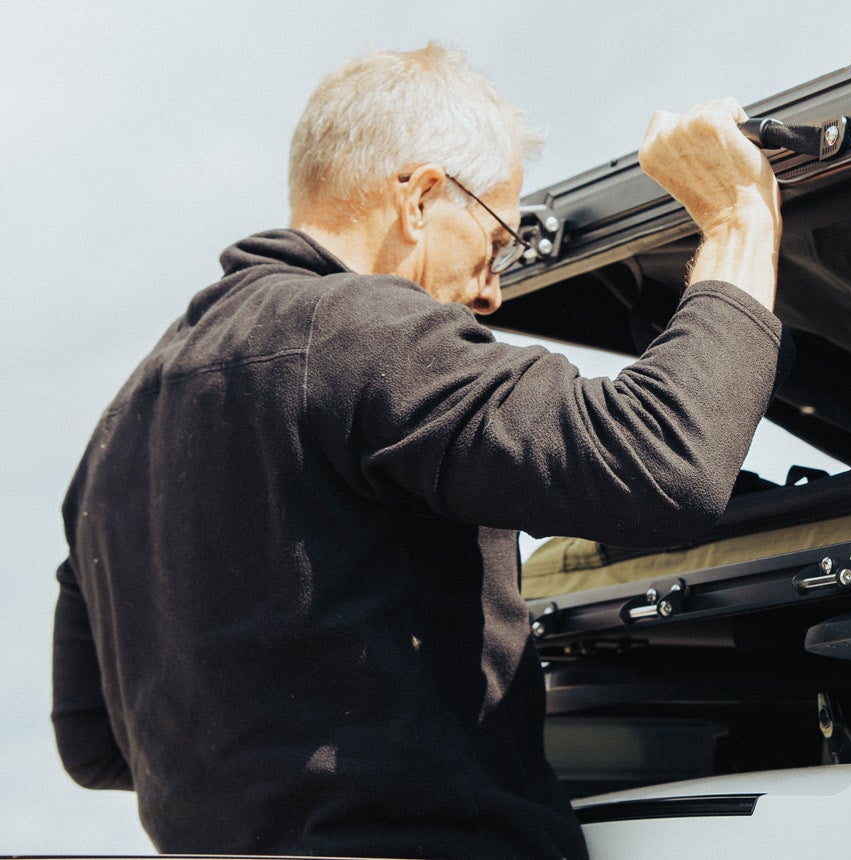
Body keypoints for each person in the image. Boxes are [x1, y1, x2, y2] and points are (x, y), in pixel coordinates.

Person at [52, 44, 785, 859]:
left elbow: (94, 742)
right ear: (423, 196)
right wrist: (737, 221)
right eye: (498, 239)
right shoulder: (358, 333)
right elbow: (667, 461)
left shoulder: (118, 428)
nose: (492, 290)